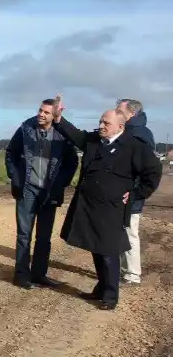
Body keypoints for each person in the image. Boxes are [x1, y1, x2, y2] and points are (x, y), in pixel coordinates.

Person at [51, 96, 162, 310]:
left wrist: (137, 193)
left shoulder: (133, 146)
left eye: (106, 123)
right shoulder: (94, 141)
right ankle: (102, 288)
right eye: (100, 122)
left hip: (112, 208)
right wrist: (58, 118)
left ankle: (110, 297)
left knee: (109, 251)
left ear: (120, 126)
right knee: (96, 248)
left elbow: (153, 172)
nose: (101, 126)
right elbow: (76, 135)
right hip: (89, 206)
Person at [5, 99, 79, 289]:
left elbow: (72, 163)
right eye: (40, 110)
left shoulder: (62, 135)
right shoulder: (25, 129)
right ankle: (21, 275)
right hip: (27, 189)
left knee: (44, 236)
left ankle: (39, 274)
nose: (41, 114)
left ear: (54, 115)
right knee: (24, 235)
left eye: (46, 112)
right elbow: (10, 153)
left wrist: (61, 183)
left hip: (49, 192)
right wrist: (15, 177)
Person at [115, 99, 156, 285]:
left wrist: (136, 193)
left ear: (131, 113)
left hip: (131, 194)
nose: (116, 112)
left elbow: (145, 169)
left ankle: (132, 274)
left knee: (130, 232)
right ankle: (125, 271)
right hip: (125, 193)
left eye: (119, 110)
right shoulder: (135, 131)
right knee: (123, 231)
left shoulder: (139, 135)